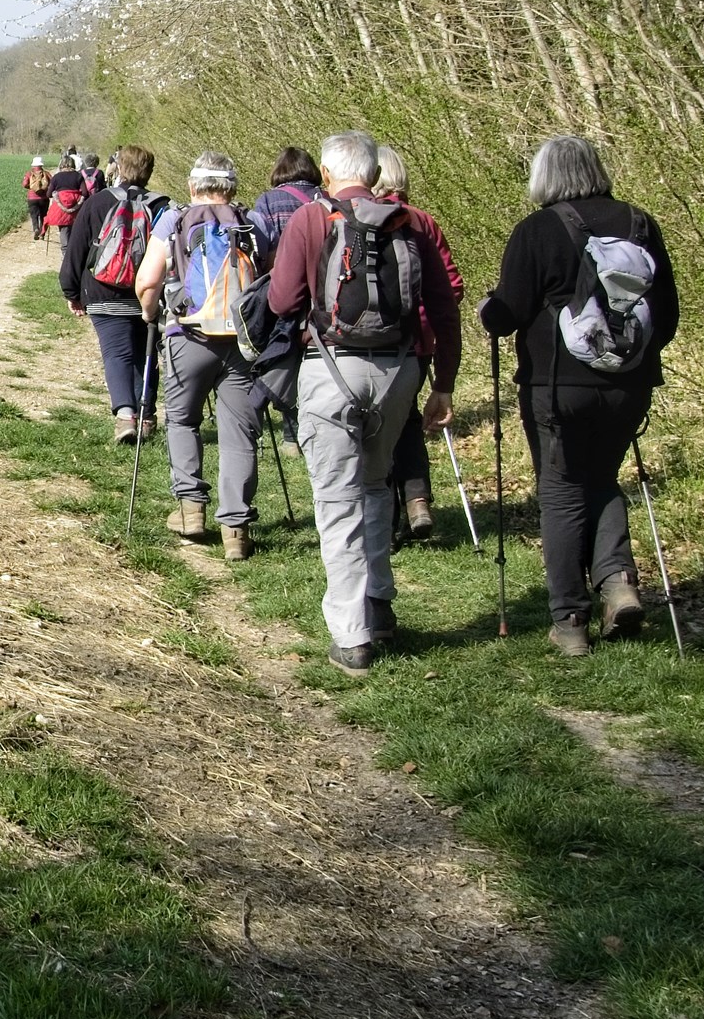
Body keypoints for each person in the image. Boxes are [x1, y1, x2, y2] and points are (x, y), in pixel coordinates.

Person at [264, 131, 460, 671]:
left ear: (326, 174)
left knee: (336, 500)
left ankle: (351, 633)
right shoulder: (413, 223)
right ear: (373, 175)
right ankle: (379, 606)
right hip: (399, 371)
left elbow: (282, 300)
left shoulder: (311, 220)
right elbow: (444, 310)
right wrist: (443, 382)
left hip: (331, 371)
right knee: (375, 486)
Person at [478, 134, 680, 656]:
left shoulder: (538, 230)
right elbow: (668, 317)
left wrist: (487, 309)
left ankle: (569, 619)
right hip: (628, 383)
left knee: (562, 489)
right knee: (602, 478)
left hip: (556, 384)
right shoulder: (639, 225)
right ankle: (616, 583)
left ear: (545, 178)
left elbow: (508, 314)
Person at [133, 153, 266, 559]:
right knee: (239, 432)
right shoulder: (253, 223)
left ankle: (191, 511)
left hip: (187, 334)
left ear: (193, 186)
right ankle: (236, 530)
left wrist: (149, 311)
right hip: (241, 342)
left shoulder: (175, 219)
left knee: (182, 420)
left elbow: (147, 280)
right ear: (233, 187)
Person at [371, 143, 470, 545]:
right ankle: (417, 500)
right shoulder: (425, 221)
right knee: (407, 417)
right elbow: (453, 284)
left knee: (385, 424)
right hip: (422, 342)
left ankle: (393, 516)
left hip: (382, 340)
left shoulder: (362, 220)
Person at [59, 144, 168, 443]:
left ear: (119, 168)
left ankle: (124, 416)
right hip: (146, 295)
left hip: (103, 294)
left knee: (116, 354)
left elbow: (77, 250)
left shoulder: (97, 203)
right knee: (145, 356)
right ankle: (146, 417)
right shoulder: (162, 206)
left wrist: (71, 291)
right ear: (149, 171)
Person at [242, 146, 321, 454]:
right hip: (321, 289)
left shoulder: (268, 201)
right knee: (309, 357)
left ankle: (285, 431)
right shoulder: (326, 198)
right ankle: (298, 431)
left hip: (283, 286)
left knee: (284, 354)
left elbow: (257, 246)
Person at [24, 156, 55, 241]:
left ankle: (36, 229)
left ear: (33, 165)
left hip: (32, 198)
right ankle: (42, 233)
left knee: (34, 216)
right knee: (43, 216)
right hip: (44, 198)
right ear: (41, 165)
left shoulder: (29, 174)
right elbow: (52, 183)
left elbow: (24, 184)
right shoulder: (47, 173)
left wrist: (32, 188)